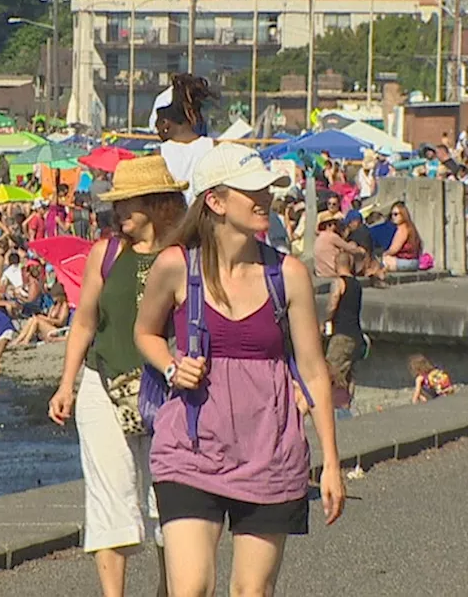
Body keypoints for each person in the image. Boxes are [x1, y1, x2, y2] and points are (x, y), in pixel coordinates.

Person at [133, 143, 345, 597]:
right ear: (216, 201)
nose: (265, 198)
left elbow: (313, 369)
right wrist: (172, 367)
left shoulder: (287, 275)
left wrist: (331, 462)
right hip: (190, 447)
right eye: (252, 190)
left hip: (269, 448)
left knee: (251, 591)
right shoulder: (176, 267)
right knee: (190, 588)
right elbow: (145, 333)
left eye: (267, 189)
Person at [47, 155, 188, 597]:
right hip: (102, 383)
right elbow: (85, 321)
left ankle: (169, 589)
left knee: (170, 499)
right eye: (118, 203)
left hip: (168, 388)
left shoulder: (185, 255)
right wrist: (66, 383)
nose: (120, 211)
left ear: (158, 203)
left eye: (130, 202)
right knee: (110, 498)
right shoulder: (105, 253)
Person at [154, 74, 216, 203]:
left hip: (172, 222)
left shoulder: (158, 155)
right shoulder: (214, 148)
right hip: (205, 221)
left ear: (165, 123)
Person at [323, 252, 364, 413]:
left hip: (342, 334)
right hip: (356, 335)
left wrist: (326, 320)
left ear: (336, 264)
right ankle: (347, 407)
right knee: (348, 375)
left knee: (331, 373)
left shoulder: (339, 282)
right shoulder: (357, 284)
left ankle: (338, 412)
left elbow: (333, 303)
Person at [382, 201, 422, 272]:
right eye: (391, 215)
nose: (393, 217)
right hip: (415, 262)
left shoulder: (402, 229)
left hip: (406, 263)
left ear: (403, 214)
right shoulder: (411, 227)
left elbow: (394, 249)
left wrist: (383, 254)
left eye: (396, 214)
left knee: (382, 260)